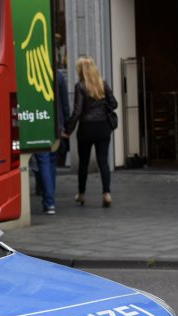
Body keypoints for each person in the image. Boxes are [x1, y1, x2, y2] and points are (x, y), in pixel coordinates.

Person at [61, 56, 118, 208]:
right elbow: (114, 103)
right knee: (103, 161)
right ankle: (106, 194)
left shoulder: (80, 86)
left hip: (86, 128)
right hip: (103, 127)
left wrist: (68, 130)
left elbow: (77, 111)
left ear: (81, 70)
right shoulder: (103, 84)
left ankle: (81, 194)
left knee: (84, 163)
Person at [33, 67, 70, 215]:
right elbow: (65, 103)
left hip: (38, 122)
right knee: (52, 162)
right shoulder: (59, 75)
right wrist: (66, 125)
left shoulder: (33, 72)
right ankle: (50, 200)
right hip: (56, 125)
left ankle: (49, 202)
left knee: (43, 161)